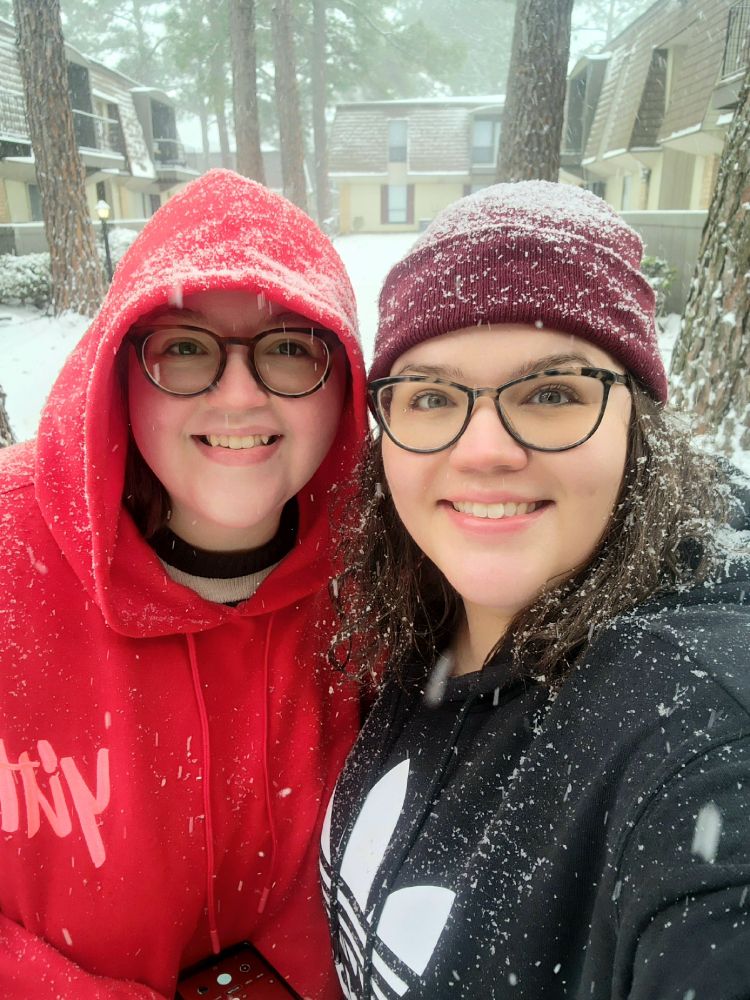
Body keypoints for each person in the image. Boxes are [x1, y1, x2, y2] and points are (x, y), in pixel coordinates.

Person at [321, 181, 750, 999]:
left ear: (638, 422)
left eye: (552, 393)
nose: (484, 450)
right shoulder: (419, 605)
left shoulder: (698, 720)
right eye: (433, 397)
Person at [0, 169, 367, 999]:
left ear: (345, 380)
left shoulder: (383, 578)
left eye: (287, 348)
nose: (239, 396)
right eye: (186, 347)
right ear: (119, 370)